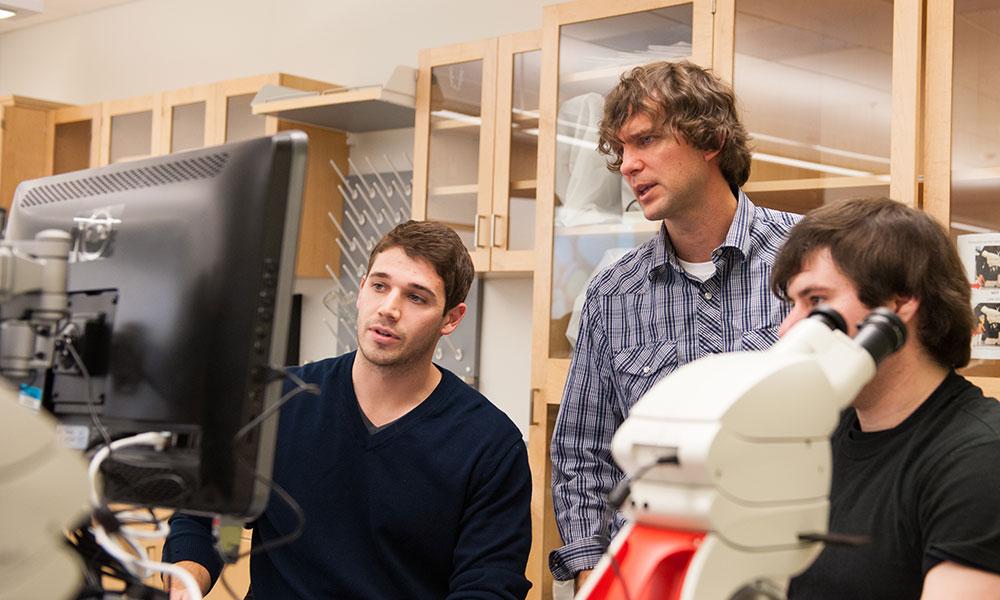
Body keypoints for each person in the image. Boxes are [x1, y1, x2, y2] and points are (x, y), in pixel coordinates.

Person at [164, 220, 532, 599]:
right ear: (361, 291)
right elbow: (214, 517)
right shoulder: (278, 400)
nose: (389, 309)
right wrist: (189, 580)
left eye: (416, 297)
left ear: (451, 319)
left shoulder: (490, 445)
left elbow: (487, 587)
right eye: (380, 286)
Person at [549, 60, 799, 586]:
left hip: (782, 571)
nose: (627, 166)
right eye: (622, 151)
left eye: (646, 142)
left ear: (710, 140)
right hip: (649, 576)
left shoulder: (810, 262)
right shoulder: (614, 295)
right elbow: (581, 454)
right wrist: (599, 578)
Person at [771, 198, 1000, 599]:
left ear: (898, 303)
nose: (788, 330)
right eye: (792, 305)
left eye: (817, 302)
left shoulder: (981, 457)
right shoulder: (818, 436)